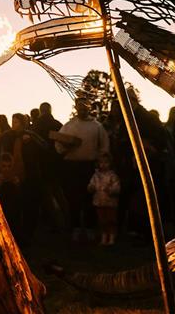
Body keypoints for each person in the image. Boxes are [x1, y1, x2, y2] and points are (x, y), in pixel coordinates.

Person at [55, 96, 110, 242]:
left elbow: (104, 146)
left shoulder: (97, 126)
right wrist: (65, 147)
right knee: (73, 198)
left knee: (90, 198)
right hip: (72, 167)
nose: (82, 109)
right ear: (76, 107)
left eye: (85, 106)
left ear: (89, 107)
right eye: (79, 106)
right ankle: (76, 228)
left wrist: (101, 160)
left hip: (89, 167)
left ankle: (91, 228)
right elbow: (58, 145)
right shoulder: (69, 125)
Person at [88, 152, 121, 246]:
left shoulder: (112, 176)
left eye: (106, 162)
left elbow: (117, 188)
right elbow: (92, 184)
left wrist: (110, 190)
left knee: (111, 220)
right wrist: (91, 187)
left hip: (110, 202)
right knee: (102, 220)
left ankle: (111, 237)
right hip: (99, 201)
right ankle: (103, 237)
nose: (103, 164)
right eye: (101, 162)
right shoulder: (96, 176)